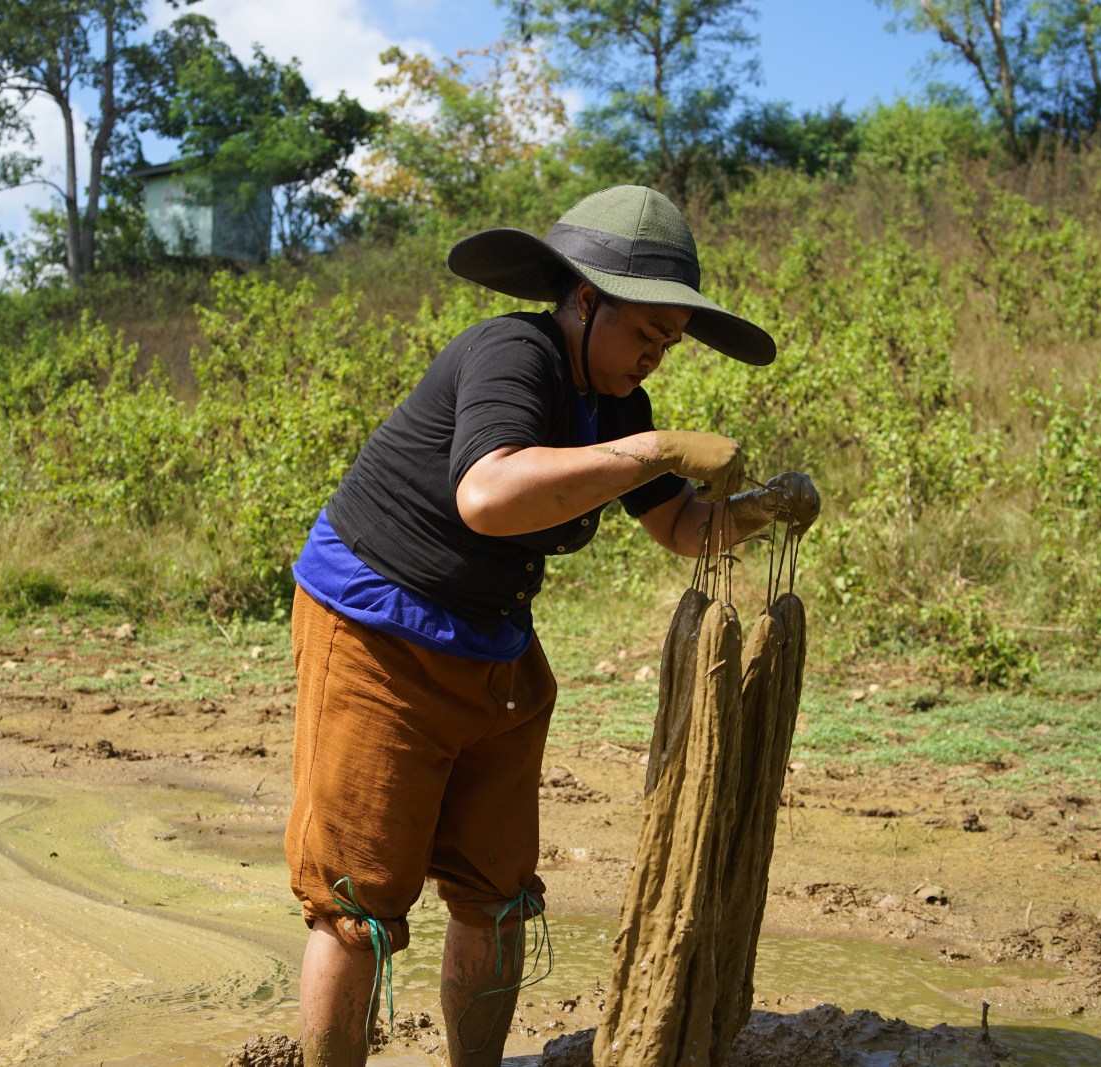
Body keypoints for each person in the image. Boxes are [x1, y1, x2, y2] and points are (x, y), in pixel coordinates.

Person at [285, 184, 819, 1067]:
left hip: (491, 645)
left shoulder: (617, 409)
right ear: (583, 300)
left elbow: (686, 529)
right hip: (377, 626)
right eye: (643, 334)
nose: (654, 358)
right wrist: (649, 451)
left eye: (669, 345)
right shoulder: (513, 353)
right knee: (360, 900)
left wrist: (766, 507)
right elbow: (488, 495)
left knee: (496, 890)